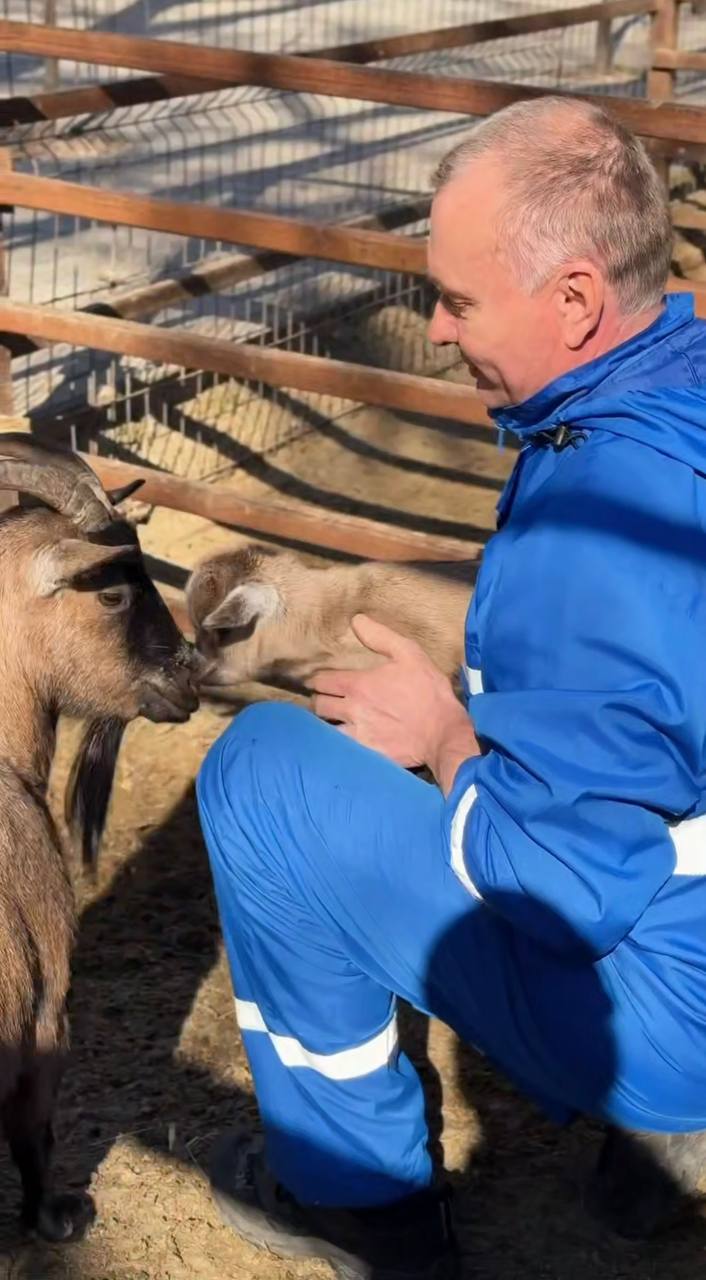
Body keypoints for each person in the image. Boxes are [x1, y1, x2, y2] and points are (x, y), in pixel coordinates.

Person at [196, 94, 706, 1279]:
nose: (433, 330)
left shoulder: (598, 527)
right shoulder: (671, 406)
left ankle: (354, 1192)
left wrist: (445, 742)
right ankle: (652, 1155)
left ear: (574, 299)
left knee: (260, 773)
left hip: (666, 1004)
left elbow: (565, 875)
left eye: (459, 300)